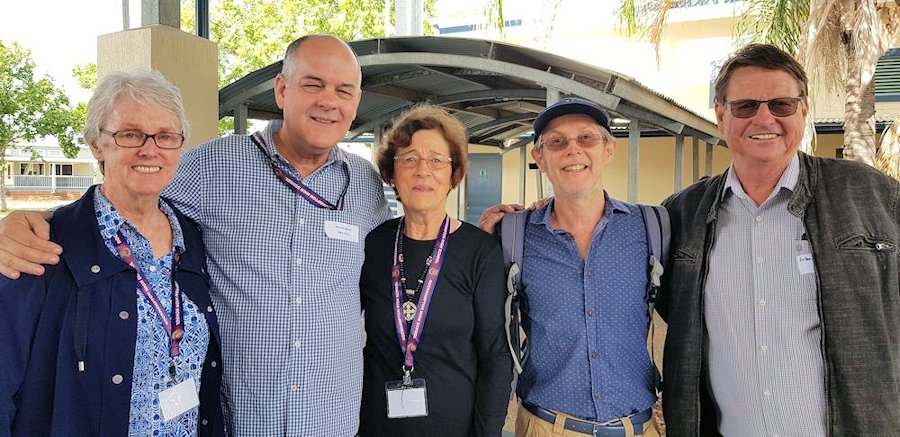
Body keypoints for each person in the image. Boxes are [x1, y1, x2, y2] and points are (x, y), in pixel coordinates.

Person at [0, 34, 391, 436]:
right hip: (245, 420)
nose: (329, 101)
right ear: (282, 89)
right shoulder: (212, 167)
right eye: (313, 84)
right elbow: (124, 199)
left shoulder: (364, 185)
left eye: (344, 90)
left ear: (356, 102)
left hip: (330, 418)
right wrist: (20, 222)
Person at [659, 43, 900, 436]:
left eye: (782, 105)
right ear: (721, 116)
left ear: (803, 112)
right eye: (745, 106)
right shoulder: (683, 215)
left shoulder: (873, 197)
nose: (764, 118)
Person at [0, 71, 223, 436]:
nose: (150, 149)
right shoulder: (43, 245)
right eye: (130, 134)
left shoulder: (193, 240)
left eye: (165, 136)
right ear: (96, 145)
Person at [480, 98, 660, 437]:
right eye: (557, 142)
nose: (572, 150)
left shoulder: (650, 227)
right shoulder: (513, 236)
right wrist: (474, 246)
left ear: (609, 149)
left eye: (587, 138)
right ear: (540, 158)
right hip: (545, 426)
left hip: (637, 427)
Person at [358, 105, 512, 436]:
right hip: (376, 426)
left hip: (455, 426)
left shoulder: (480, 252)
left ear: (453, 174)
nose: (422, 170)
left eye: (437, 160)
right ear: (392, 173)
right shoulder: (372, 246)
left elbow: (495, 357)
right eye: (409, 159)